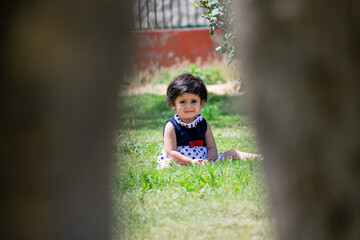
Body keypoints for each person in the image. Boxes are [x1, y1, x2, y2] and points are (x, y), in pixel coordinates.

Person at [157, 73, 262, 169]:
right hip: (180, 161)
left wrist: (209, 160)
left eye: (194, 101)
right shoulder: (172, 126)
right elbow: (171, 152)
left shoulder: (203, 124)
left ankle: (260, 158)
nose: (188, 106)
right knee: (168, 165)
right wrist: (191, 162)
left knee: (232, 153)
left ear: (201, 103)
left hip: (204, 160)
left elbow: (211, 147)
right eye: (182, 102)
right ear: (173, 104)